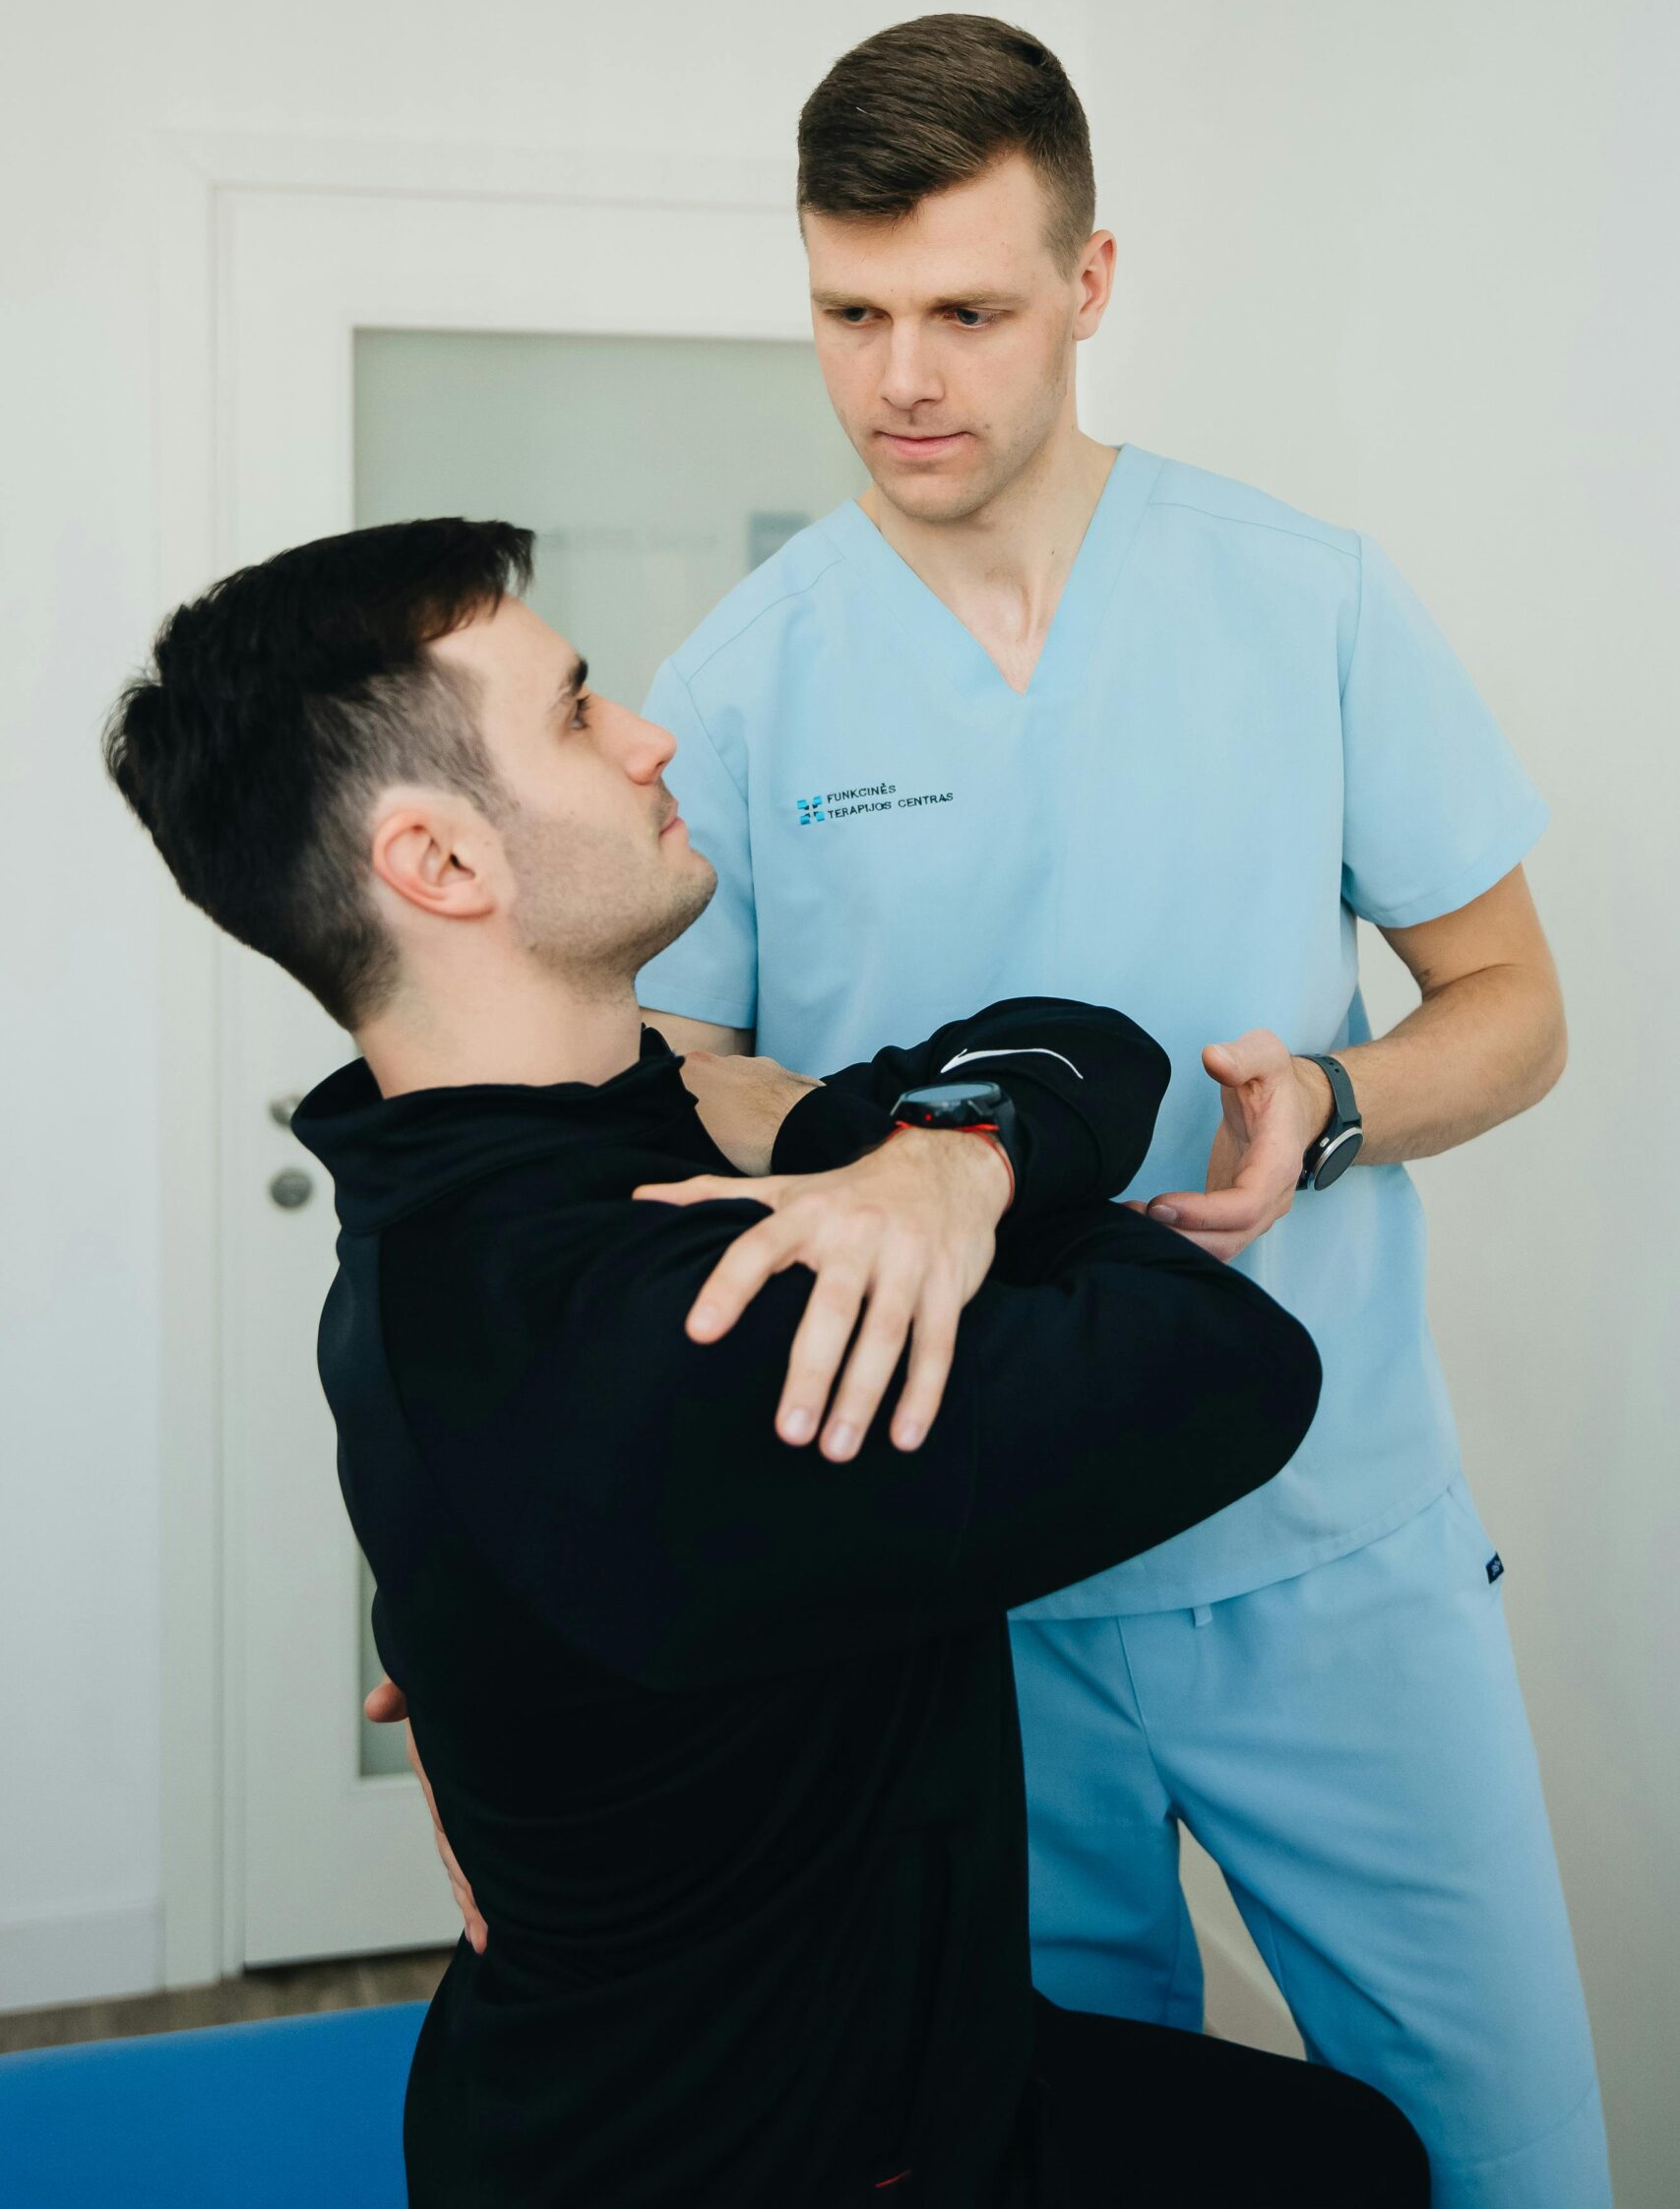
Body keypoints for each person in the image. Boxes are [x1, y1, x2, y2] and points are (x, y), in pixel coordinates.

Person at [103, 518, 1428, 2208]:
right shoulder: (680, 1325)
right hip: (770, 2155)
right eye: (580, 714)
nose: (650, 737)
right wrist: (900, 1143)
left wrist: (948, 1155)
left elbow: (1084, 1039)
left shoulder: (486, 1177)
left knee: (1343, 2155)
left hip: (820, 2062)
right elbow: (1227, 1360)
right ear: (441, 864)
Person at [625, 14, 1610, 2209]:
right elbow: (666, 1056)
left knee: (1508, 2156)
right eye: (847, 311)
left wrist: (1334, 1101)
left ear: (1086, 282)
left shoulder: (1301, 595)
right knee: (1048, 2161)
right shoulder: (745, 671)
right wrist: (854, 1145)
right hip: (956, 1589)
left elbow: (1512, 1006)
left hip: (1324, 1543)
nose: (902, 377)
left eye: (966, 310)